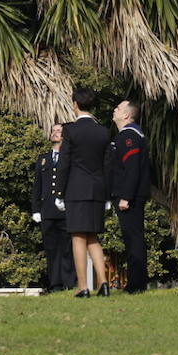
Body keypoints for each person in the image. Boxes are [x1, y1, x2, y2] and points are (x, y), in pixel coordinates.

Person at [56, 88, 111, 298]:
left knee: (78, 236)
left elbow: (64, 162)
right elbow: (108, 165)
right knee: (93, 237)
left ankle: (83, 287)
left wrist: (59, 192)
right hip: (98, 189)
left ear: (75, 104)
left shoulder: (70, 130)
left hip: (76, 189)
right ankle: (104, 284)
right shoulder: (103, 131)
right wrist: (106, 195)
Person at [108, 99, 152, 293]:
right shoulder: (127, 135)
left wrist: (126, 196)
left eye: (118, 108)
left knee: (134, 239)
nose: (114, 110)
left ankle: (136, 284)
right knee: (132, 238)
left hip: (130, 198)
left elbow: (131, 168)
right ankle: (136, 283)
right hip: (129, 195)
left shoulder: (129, 136)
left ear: (126, 115)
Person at [31, 123, 77, 293]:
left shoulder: (70, 157)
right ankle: (55, 284)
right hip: (47, 210)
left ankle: (69, 282)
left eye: (59, 131)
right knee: (51, 249)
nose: (55, 133)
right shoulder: (43, 158)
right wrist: (36, 209)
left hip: (65, 210)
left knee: (68, 248)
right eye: (54, 130)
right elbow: (37, 186)